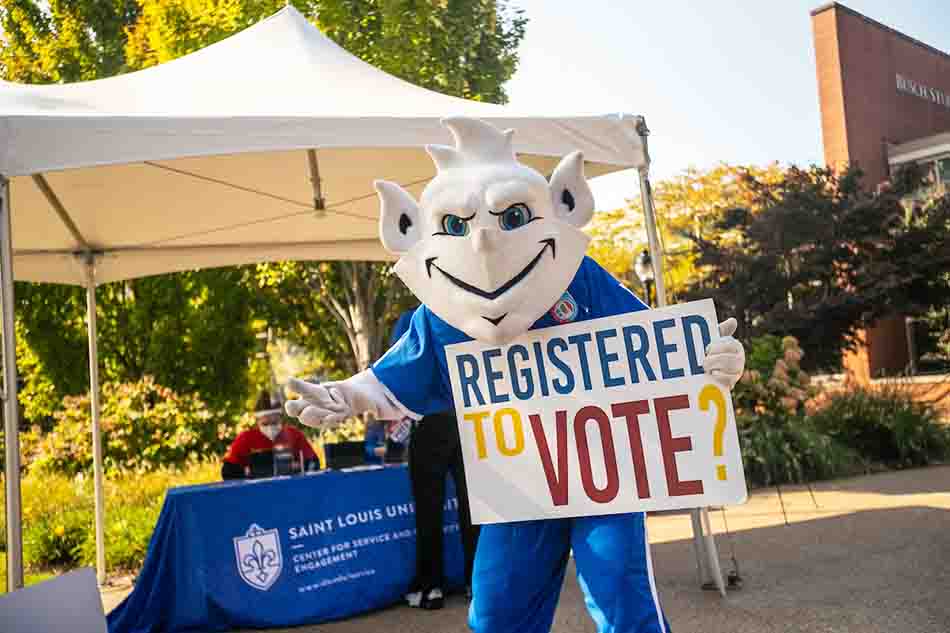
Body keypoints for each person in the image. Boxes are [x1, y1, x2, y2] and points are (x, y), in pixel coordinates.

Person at [285, 118, 746, 633]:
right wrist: (347, 394)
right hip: (518, 479)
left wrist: (712, 362)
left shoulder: (580, 277)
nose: (482, 239)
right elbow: (401, 372)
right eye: (458, 225)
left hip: (604, 471)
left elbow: (653, 346)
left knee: (621, 596)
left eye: (511, 215)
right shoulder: (444, 309)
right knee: (499, 606)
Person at [388, 308, 481, 610]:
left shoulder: (413, 318)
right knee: (473, 508)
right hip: (467, 418)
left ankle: (431, 586)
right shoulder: (466, 316)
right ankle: (475, 583)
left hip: (430, 420)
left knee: (430, 509)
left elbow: (396, 369)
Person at [222, 390, 320, 480]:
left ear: (281, 419)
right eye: (265, 424)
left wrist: (298, 467)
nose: (270, 427)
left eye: (275, 422)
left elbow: (313, 463)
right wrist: (248, 472)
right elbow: (228, 471)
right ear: (257, 422)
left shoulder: (294, 435)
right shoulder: (246, 439)